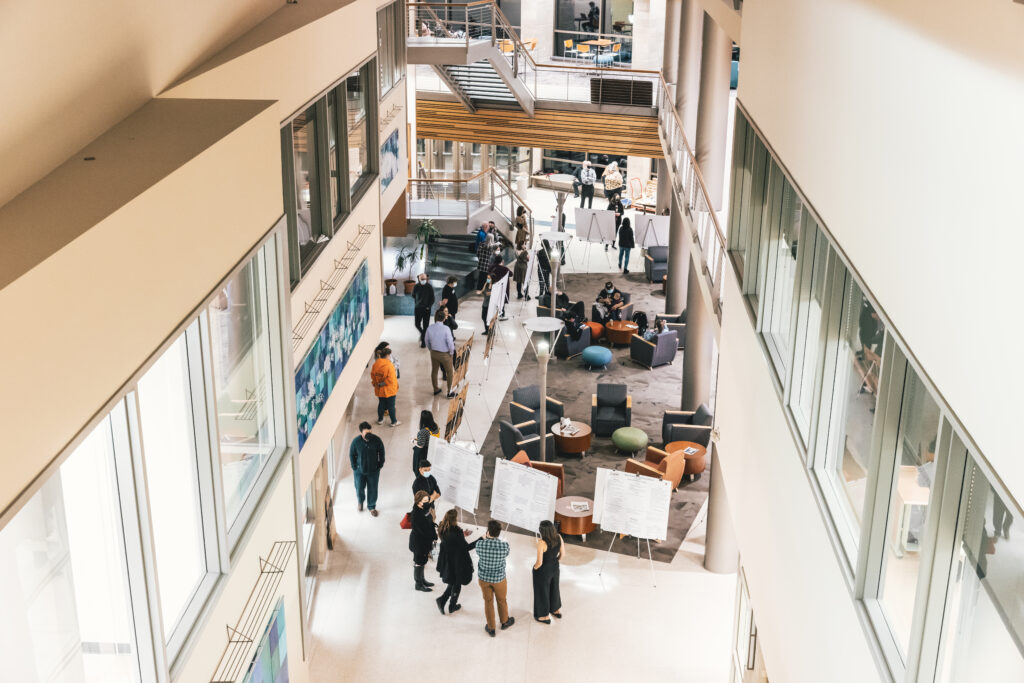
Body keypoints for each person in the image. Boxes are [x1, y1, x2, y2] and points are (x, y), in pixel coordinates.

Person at [475, 519, 515, 636]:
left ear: (488, 531)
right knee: (501, 600)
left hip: (483, 579)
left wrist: (485, 537)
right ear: (499, 533)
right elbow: (507, 553)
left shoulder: (480, 544)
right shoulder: (504, 546)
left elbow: (478, 551)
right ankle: (504, 622)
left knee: (488, 602)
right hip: (499, 579)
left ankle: (491, 628)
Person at [435, 509, 477, 615]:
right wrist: (481, 539)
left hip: (447, 559)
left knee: (453, 581)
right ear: (454, 519)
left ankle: (443, 600)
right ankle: (451, 605)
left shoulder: (442, 526)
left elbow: (451, 539)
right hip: (457, 561)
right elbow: (466, 547)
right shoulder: (456, 531)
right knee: (457, 582)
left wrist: (462, 535)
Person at [349, 422, 385, 516]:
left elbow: (381, 452)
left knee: (373, 489)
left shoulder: (376, 440)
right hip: (359, 471)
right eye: (366, 433)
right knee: (359, 488)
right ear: (361, 433)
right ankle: (360, 502)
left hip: (373, 471)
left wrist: (380, 464)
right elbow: (351, 454)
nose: (369, 435)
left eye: (370, 432)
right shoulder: (356, 442)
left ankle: (372, 507)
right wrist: (354, 467)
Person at [532, 520, 563, 623]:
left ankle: (543, 616)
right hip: (555, 567)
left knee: (542, 591)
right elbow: (562, 555)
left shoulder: (541, 543)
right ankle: (555, 609)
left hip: (544, 571)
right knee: (554, 588)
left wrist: (534, 568)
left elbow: (539, 563)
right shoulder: (559, 537)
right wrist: (554, 562)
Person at [409, 491, 437, 592]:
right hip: (418, 543)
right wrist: (432, 535)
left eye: (427, 500)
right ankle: (418, 584)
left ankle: (422, 580)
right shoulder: (416, 514)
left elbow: (430, 522)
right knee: (419, 562)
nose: (427, 502)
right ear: (418, 502)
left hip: (425, 542)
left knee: (422, 561)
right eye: (425, 501)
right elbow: (422, 531)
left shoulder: (425, 509)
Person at [425, 309, 457, 398]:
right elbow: (450, 342)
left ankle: (436, 389)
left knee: (434, 371)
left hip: (433, 353)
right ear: (444, 319)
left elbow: (426, 340)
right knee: (450, 372)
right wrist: (451, 352)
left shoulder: (430, 328)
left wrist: (431, 349)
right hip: (444, 354)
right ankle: (449, 392)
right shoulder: (446, 329)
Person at [370, 347, 400, 427]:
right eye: (389, 356)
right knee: (391, 406)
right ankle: (394, 421)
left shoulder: (375, 364)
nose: (390, 357)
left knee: (381, 404)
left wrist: (377, 384)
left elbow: (373, 375)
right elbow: (391, 379)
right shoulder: (389, 365)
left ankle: (380, 420)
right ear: (387, 355)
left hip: (379, 390)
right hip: (389, 390)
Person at [411, 410, 439, 474]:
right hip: (433, 448)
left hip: (424, 452)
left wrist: (413, 441)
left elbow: (420, 445)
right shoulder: (436, 426)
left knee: (418, 467)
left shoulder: (423, 432)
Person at [412, 273, 435, 348]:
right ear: (419, 279)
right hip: (418, 308)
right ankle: (423, 335)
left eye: (424, 279)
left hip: (426, 309)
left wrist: (429, 306)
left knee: (425, 326)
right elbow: (413, 295)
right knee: (417, 324)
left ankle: (423, 342)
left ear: (426, 279)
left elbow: (432, 298)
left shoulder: (429, 287)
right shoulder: (416, 286)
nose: (423, 280)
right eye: (422, 279)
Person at [488, 253, 511, 319]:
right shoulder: (504, 269)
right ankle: (502, 314)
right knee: (501, 301)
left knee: (494, 300)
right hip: (502, 288)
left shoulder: (491, 267)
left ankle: (493, 313)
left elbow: (488, 277)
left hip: (493, 287)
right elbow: (511, 274)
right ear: (501, 261)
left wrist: (488, 285)